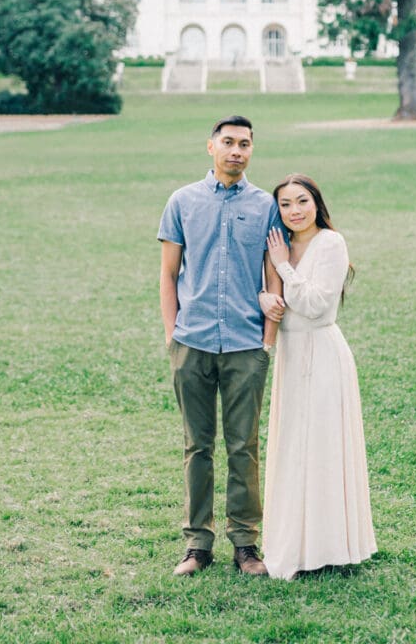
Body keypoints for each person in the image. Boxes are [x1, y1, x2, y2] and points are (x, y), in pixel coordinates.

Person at [158, 115, 283, 577]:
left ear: (252, 150)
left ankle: (246, 544)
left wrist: (267, 342)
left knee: (243, 445)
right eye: (228, 142)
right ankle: (197, 545)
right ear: (210, 147)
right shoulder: (182, 201)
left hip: (247, 344)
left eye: (245, 144)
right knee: (197, 445)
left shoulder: (265, 205)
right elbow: (168, 273)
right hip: (192, 343)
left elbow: (273, 272)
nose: (236, 150)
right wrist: (173, 335)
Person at [258, 174, 377, 581]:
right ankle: (296, 541)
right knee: (293, 445)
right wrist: (266, 289)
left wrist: (284, 268)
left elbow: (314, 304)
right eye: (286, 204)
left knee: (323, 446)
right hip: (291, 355)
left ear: (316, 203)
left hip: (323, 353)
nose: (295, 211)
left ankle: (330, 544)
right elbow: (270, 295)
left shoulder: (331, 243)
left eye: (302, 201)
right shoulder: (279, 245)